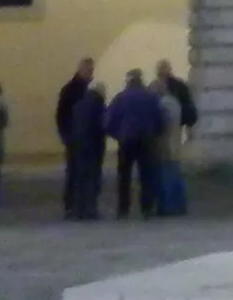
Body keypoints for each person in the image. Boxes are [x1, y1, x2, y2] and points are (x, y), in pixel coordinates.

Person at [104, 70, 163, 219]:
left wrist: (117, 135)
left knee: (124, 176)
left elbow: (109, 120)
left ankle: (123, 209)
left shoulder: (121, 98)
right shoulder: (151, 97)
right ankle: (147, 208)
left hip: (127, 141)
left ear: (128, 81)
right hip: (146, 140)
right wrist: (154, 134)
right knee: (146, 176)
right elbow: (159, 119)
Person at [55, 58, 94, 215]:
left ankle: (77, 205)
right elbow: (61, 115)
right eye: (90, 71)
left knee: (79, 172)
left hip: (80, 137)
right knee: (75, 172)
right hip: (76, 137)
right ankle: (73, 205)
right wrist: (66, 134)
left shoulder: (82, 89)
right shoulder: (73, 90)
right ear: (81, 70)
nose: (92, 74)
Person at [66, 83, 108, 220]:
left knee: (79, 178)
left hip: (77, 146)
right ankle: (90, 210)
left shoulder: (78, 104)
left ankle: (77, 209)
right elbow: (100, 127)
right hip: (92, 146)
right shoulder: (98, 106)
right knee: (91, 178)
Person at [152, 76, 187, 217]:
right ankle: (179, 206)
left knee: (166, 177)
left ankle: (168, 207)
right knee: (175, 176)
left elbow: (162, 125)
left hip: (166, 146)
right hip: (174, 144)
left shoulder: (164, 104)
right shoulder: (174, 102)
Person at [154, 59, 198, 140]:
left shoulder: (153, 86)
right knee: (174, 146)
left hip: (159, 127)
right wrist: (189, 127)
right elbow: (188, 105)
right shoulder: (179, 85)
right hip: (176, 125)